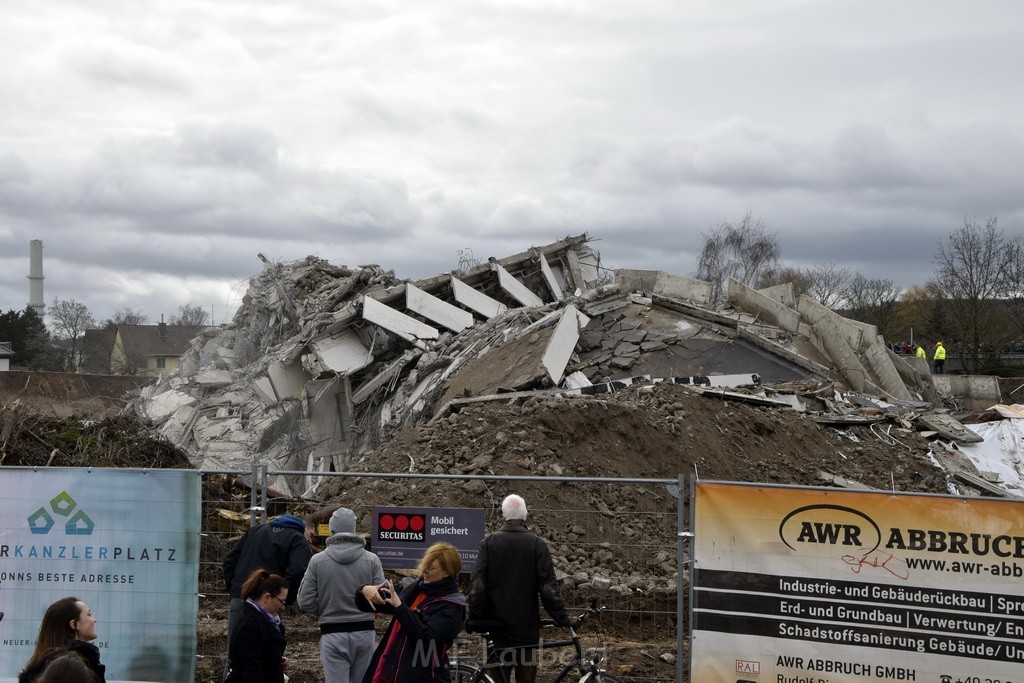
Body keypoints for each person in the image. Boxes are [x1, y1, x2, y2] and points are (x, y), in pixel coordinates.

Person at [468, 494, 577, 683]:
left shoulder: (489, 543)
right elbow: (548, 589)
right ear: (525, 516)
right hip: (526, 630)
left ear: (503, 515)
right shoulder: (537, 545)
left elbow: (477, 585)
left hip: (496, 627)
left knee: (498, 678)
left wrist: (474, 616)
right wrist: (562, 618)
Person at [297, 507, 385, 683]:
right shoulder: (372, 559)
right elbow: (381, 596)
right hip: (364, 632)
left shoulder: (317, 561)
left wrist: (326, 609)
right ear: (354, 529)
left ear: (331, 529)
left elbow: (304, 601)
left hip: (332, 632)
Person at [357, 543, 467, 682]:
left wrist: (400, 607)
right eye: (425, 564)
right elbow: (368, 605)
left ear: (447, 572)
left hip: (424, 677)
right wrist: (365, 591)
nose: (425, 570)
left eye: (431, 568)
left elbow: (427, 637)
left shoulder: (452, 606)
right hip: (392, 671)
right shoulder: (412, 589)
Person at [223, 513, 314, 678]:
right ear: (303, 526)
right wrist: (285, 599)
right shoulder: (296, 539)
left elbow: (229, 560)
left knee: (235, 660)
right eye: (311, 535)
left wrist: (236, 589)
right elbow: (297, 571)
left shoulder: (255, 531)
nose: (311, 540)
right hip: (269, 603)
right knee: (269, 658)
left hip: (240, 599)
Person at [18, 597, 106, 683]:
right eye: (89, 614)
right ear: (75, 624)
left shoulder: (34, 672)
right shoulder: (82, 663)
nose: (94, 619)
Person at [226, 569, 291, 683]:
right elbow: (251, 670)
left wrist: (275, 659)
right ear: (267, 597)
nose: (282, 606)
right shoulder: (250, 626)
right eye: (281, 601)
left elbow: (259, 653)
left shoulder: (263, 619)